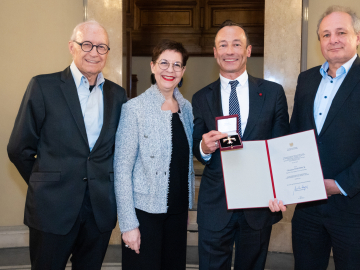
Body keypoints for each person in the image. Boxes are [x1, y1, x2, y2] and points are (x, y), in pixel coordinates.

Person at [7, 20, 127, 270]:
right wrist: (45, 183)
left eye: (101, 47)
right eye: (87, 44)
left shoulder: (118, 95)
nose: (94, 52)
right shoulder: (43, 86)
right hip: (52, 208)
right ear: (71, 47)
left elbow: (119, 152)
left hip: (99, 211)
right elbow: (19, 148)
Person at [192, 20, 289, 270]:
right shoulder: (201, 97)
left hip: (258, 205)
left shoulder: (272, 93)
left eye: (237, 44)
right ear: (215, 52)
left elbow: (281, 148)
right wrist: (204, 147)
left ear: (248, 50)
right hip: (216, 204)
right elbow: (197, 148)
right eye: (222, 45)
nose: (229, 51)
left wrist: (282, 191)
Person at [269, 5, 360, 270]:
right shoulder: (307, 80)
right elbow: (294, 135)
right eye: (326, 34)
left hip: (353, 207)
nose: (333, 40)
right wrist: (281, 182)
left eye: (341, 32)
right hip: (308, 209)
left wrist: (339, 184)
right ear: (319, 40)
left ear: (357, 37)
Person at [114, 39, 195, 270]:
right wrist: (128, 224)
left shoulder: (186, 109)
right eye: (164, 63)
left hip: (178, 215)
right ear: (152, 66)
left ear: (183, 71)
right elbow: (121, 169)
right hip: (144, 216)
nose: (170, 70)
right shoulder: (134, 109)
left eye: (177, 65)